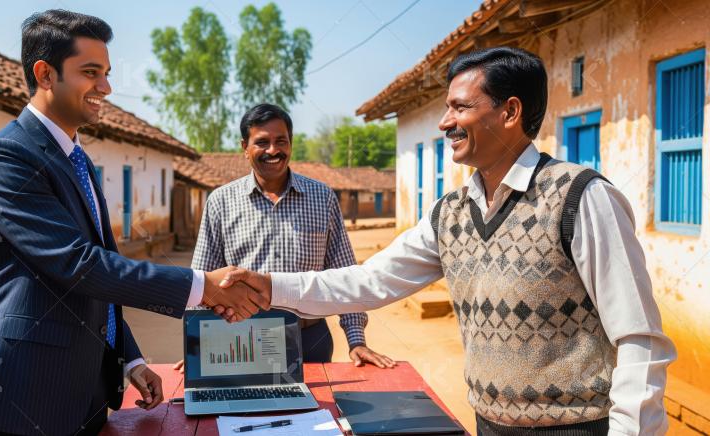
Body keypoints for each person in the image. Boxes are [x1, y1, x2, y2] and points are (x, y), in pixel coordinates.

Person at [217, 47, 676, 435]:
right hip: (489, 424)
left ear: (510, 112)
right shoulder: (450, 214)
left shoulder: (581, 197)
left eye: (459, 107)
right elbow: (368, 282)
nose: (444, 122)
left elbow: (641, 338)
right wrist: (269, 287)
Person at [0, 10, 265, 435]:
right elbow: (79, 264)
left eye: (106, 73)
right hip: (26, 391)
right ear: (45, 74)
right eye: (91, 73)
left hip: (83, 390)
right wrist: (203, 286)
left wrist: (131, 358)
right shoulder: (6, 159)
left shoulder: (77, 159)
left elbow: (95, 281)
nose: (105, 87)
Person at [174, 104, 394, 372]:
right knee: (246, 409)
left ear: (291, 144)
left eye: (281, 141)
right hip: (243, 337)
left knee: (317, 409)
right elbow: (202, 280)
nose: (272, 150)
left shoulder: (322, 198)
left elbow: (344, 274)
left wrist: (356, 341)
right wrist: (197, 345)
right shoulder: (221, 201)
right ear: (245, 147)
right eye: (262, 142)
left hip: (311, 338)